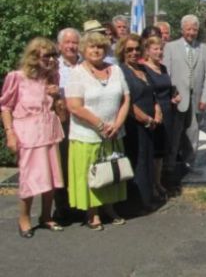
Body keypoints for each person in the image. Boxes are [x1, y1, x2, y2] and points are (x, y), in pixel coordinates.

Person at [65, 32, 130, 230]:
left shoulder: (116, 70)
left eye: (100, 47)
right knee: (91, 175)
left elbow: (126, 98)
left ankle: (109, 209)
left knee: (110, 173)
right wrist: (100, 125)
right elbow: (74, 106)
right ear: (84, 50)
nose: (96, 50)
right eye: (92, 47)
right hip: (88, 135)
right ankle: (92, 214)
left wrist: (117, 124)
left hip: (113, 134)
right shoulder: (77, 73)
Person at [2, 38, 66, 237]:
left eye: (54, 55)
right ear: (34, 56)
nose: (51, 60)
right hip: (28, 132)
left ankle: (46, 216)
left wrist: (57, 97)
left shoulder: (53, 77)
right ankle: (24, 218)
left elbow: (61, 112)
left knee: (53, 177)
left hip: (49, 130)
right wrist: (10, 133)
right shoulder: (17, 77)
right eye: (47, 55)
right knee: (30, 178)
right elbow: (5, 106)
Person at [162, 15, 206, 190]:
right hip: (177, 99)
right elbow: (165, 74)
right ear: (182, 30)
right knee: (174, 135)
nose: (191, 32)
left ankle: (190, 165)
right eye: (188, 29)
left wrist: (205, 98)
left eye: (194, 29)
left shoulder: (204, 49)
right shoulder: (170, 47)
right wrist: (170, 95)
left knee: (193, 133)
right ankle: (169, 168)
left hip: (197, 99)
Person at [118, 34, 161, 212]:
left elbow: (153, 94)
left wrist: (157, 111)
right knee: (137, 161)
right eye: (129, 49)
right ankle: (137, 203)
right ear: (122, 51)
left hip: (150, 124)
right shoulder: (120, 71)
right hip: (134, 124)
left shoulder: (143, 69)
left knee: (148, 160)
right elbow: (125, 102)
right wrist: (146, 118)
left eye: (137, 49)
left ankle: (148, 197)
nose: (134, 52)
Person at [143, 36, 179, 199]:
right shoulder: (144, 69)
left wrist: (174, 97)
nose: (159, 52)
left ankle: (158, 182)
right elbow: (149, 92)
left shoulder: (163, 68)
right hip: (154, 112)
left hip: (168, 111)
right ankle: (150, 185)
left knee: (162, 151)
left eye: (160, 49)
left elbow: (168, 88)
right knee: (154, 152)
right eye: (155, 49)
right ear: (147, 51)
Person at [54, 27, 81, 220]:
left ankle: (80, 205)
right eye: (67, 42)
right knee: (61, 164)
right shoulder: (52, 66)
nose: (71, 46)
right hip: (62, 122)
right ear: (60, 46)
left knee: (80, 164)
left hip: (82, 121)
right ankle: (62, 207)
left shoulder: (87, 65)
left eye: (75, 42)